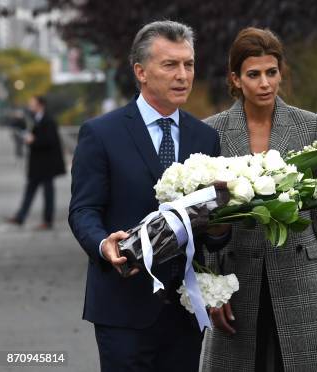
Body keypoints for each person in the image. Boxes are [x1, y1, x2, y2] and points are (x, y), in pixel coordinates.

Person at [68, 21, 230, 372]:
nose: (183, 75)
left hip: (184, 311)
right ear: (140, 71)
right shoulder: (101, 134)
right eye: (170, 65)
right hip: (123, 304)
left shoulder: (205, 138)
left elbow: (212, 227)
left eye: (188, 64)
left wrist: (219, 231)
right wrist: (102, 245)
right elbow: (83, 210)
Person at [202, 27, 317, 372]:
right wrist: (213, 289)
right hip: (237, 276)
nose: (265, 83)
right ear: (235, 79)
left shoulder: (308, 125)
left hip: (299, 272)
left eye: (272, 72)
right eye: (254, 74)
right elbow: (204, 219)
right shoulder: (212, 131)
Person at [7, 96, 65, 229]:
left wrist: (33, 140)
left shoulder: (48, 120)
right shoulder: (35, 118)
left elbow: (50, 141)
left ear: (40, 105)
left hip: (46, 165)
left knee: (47, 192)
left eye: (32, 103)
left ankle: (47, 221)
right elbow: (18, 126)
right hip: (38, 164)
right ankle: (20, 217)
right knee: (30, 190)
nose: (29, 106)